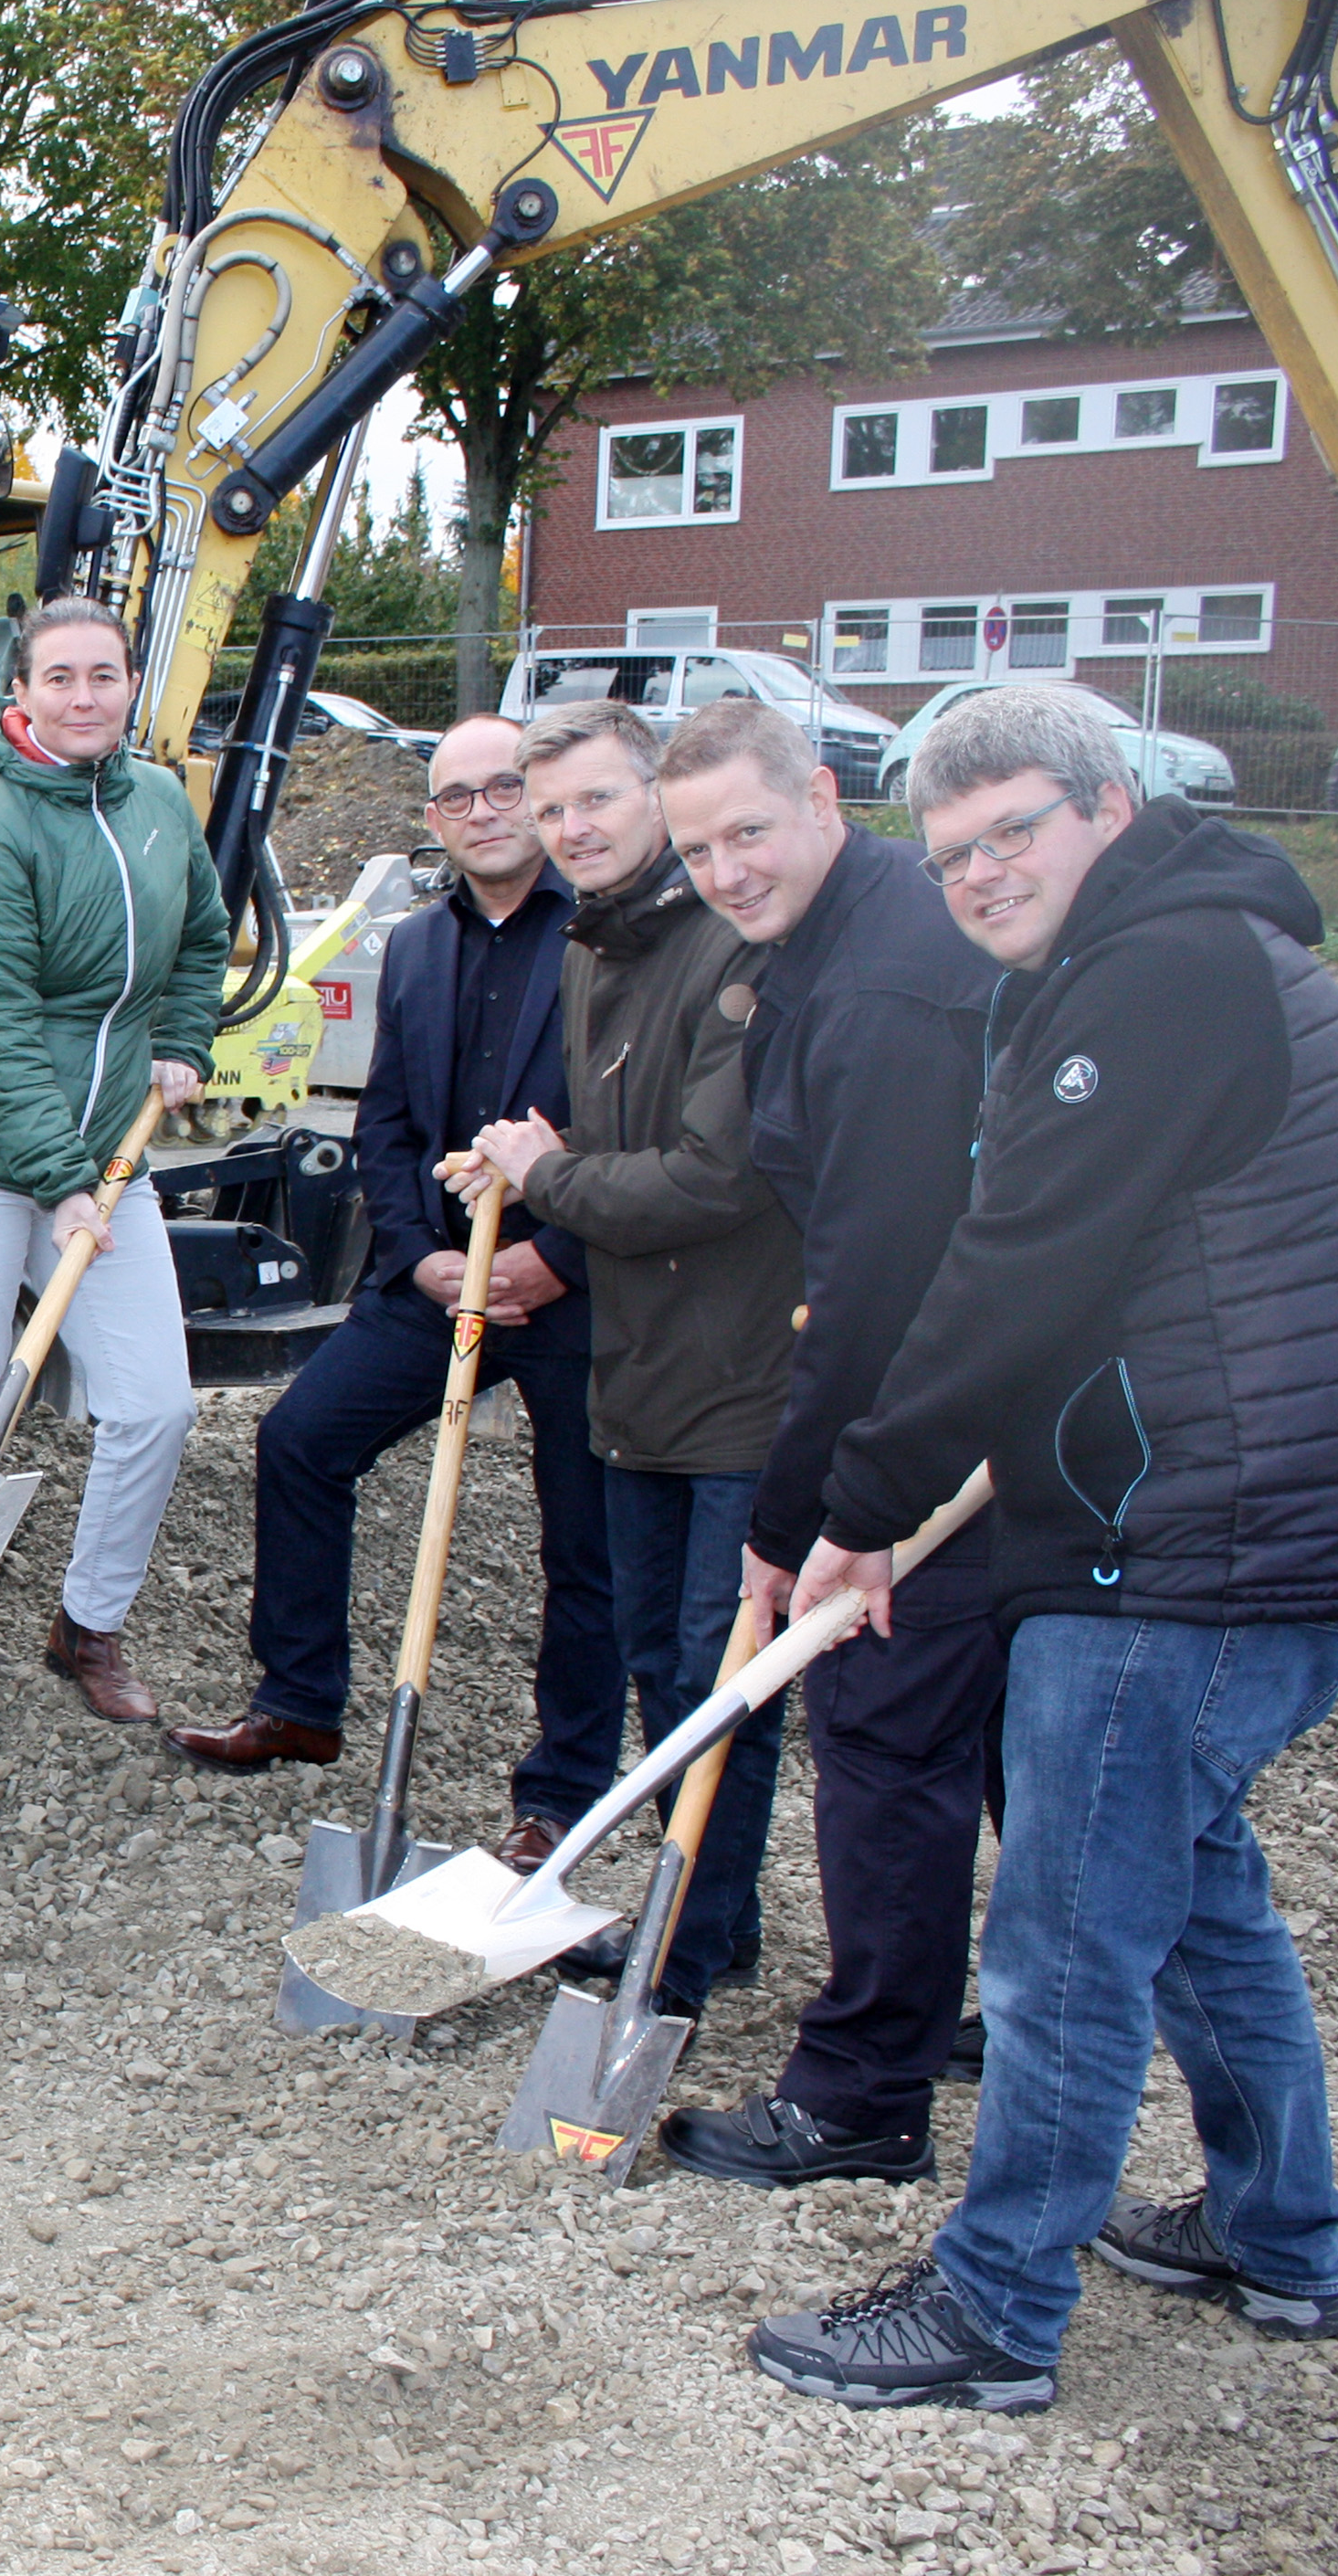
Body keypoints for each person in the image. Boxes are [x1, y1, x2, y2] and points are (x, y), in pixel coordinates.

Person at [751, 686, 1338, 2412]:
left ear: (1106, 810)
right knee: (1193, 1889)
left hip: (1186, 1533)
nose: (978, 873)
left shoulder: (1164, 976)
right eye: (951, 846)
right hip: (1236, 1515)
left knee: (1062, 1931)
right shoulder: (1148, 961)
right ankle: (1282, 2230)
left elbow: (1015, 1269)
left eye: (1012, 833)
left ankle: (992, 2309)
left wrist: (857, 1508)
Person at [636, 699, 1006, 2191]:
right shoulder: (832, 941)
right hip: (966, 1375)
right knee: (978, 1745)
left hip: (943, 1401)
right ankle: (962, 2009)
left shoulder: (881, 989)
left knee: (882, 1742)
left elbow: (869, 1281)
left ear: (824, 798)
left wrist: (796, 1519)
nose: (724, 869)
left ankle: (860, 2092)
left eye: (747, 830)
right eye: (697, 848)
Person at [168, 716, 616, 1820]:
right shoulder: (416, 947)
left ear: (543, 798)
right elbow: (391, 1123)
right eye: (456, 797)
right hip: (436, 1286)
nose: (482, 812)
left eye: (505, 788)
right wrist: (419, 1261)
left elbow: (630, 1120)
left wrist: (549, 1260)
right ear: (432, 821)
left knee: (588, 1543)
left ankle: (559, 1792)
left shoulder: (608, 941)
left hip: (578, 1291)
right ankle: (301, 1699)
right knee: (302, 1441)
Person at [458, 697, 798, 2017]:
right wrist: (526, 1157)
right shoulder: (598, 946)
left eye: (595, 800)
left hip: (738, 1367)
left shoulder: (732, 941)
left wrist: (557, 1175)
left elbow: (719, 1175)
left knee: (721, 1671)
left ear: (658, 795)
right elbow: (613, 1133)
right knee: (663, 1651)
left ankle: (689, 1940)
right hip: (639, 1367)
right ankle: (708, 1911)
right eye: (550, 811)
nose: (569, 830)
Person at [0, 596, 225, 1801]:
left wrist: (180, 1038)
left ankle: (87, 1623)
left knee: (155, 1406)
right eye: (58, 677)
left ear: (132, 687)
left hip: (103, 1151)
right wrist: (61, 1185)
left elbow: (203, 935)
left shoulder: (163, 808)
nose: (83, 696)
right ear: (17, 694)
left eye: (104, 676)